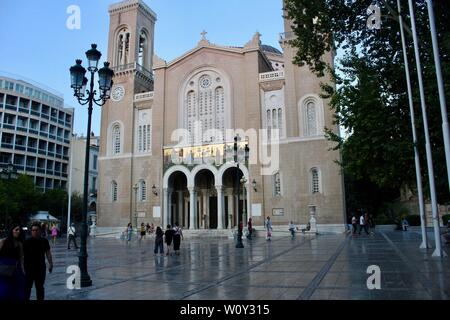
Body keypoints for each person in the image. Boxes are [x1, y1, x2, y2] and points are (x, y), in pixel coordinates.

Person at [23, 222, 53, 301]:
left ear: (40, 230)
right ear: (31, 231)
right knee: (27, 288)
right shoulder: (26, 241)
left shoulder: (44, 241)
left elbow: (48, 253)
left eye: (36, 230)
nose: (34, 232)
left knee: (40, 288)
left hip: (40, 268)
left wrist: (51, 264)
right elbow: (21, 255)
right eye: (33, 230)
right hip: (28, 269)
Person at [0, 224, 26, 300]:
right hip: (3, 270)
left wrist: (23, 270)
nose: (18, 232)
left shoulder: (19, 244)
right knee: (4, 293)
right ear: (12, 230)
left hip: (15, 270)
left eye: (19, 230)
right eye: (16, 230)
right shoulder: (3, 241)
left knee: (18, 292)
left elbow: (21, 259)